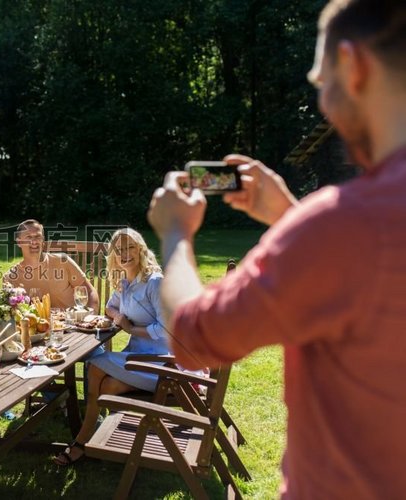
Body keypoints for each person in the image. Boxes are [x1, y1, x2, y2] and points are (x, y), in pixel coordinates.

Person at [148, 0, 406, 496]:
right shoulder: (345, 234)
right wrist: (289, 217)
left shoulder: (344, 225)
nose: (323, 102)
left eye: (320, 81)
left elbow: (192, 337)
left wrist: (177, 234)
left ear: (353, 66)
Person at [54, 228, 171, 466]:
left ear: (140, 249)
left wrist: (129, 329)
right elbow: (109, 307)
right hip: (136, 357)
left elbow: (165, 328)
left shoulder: (154, 282)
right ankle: (94, 436)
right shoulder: (126, 281)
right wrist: (119, 318)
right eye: (119, 250)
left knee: (94, 364)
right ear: (114, 256)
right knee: (107, 384)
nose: (125, 254)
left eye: (129, 247)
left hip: (161, 363)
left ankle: (81, 443)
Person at [3, 219, 99, 310]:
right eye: (28, 237)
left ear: (43, 241)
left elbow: (89, 291)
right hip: (33, 325)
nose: (34, 241)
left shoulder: (62, 261)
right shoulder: (10, 277)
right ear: (19, 242)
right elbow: (8, 311)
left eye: (38, 237)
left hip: (70, 324)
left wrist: (90, 317)